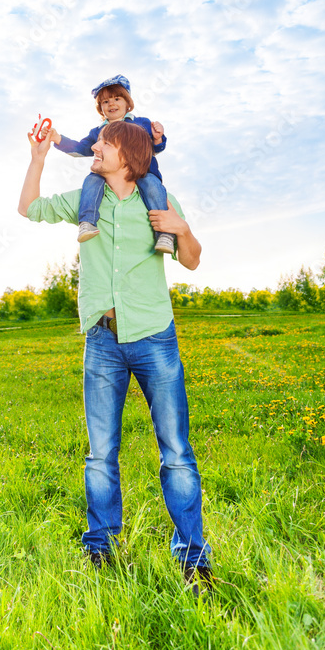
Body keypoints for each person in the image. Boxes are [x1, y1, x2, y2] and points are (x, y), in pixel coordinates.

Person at [18, 119, 213, 595]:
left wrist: (181, 228)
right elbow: (28, 208)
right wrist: (39, 156)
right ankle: (100, 550)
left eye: (103, 143)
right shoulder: (88, 199)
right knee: (101, 455)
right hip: (101, 342)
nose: (95, 147)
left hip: (154, 337)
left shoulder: (159, 200)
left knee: (177, 455)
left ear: (126, 155)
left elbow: (192, 259)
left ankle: (193, 559)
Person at [49, 74, 175, 253]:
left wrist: (157, 138)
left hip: (142, 170)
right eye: (105, 102)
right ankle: (87, 222)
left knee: (153, 186)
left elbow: (156, 147)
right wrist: (57, 138)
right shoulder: (99, 131)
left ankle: (165, 234)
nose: (111, 104)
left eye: (117, 98)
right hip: (109, 175)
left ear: (127, 103)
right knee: (91, 181)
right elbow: (81, 147)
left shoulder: (141, 124)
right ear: (100, 108)